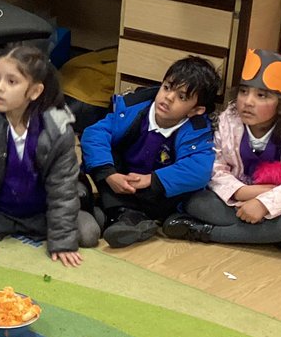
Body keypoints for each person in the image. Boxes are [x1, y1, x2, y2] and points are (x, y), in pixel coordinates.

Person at [0, 43, 99, 268]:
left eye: (11, 81)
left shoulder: (58, 128)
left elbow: (62, 188)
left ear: (34, 91)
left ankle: (90, 211)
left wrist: (62, 241)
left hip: (40, 212)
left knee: (88, 233)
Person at [80, 55, 220, 248]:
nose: (168, 98)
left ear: (195, 110)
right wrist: (110, 174)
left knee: (187, 192)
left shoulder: (196, 130)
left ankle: (123, 217)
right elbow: (94, 133)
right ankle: (116, 215)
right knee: (101, 155)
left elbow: (199, 169)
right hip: (121, 181)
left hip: (156, 194)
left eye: (181, 97)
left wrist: (152, 180)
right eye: (167, 87)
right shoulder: (134, 108)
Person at [163, 49, 281, 249]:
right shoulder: (229, 120)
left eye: (261, 95)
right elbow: (214, 167)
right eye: (244, 91)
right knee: (196, 201)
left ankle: (209, 233)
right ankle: (276, 236)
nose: (248, 102)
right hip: (233, 200)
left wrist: (264, 203)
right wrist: (243, 192)